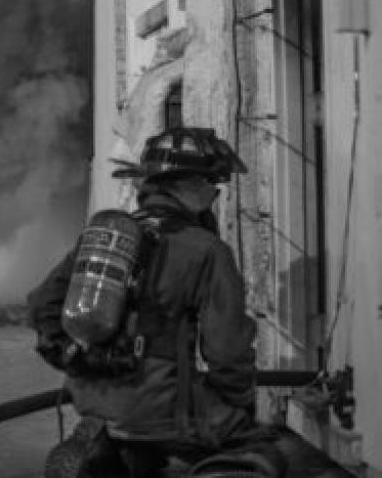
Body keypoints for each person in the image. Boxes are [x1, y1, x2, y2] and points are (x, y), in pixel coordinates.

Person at [28, 127, 286, 477]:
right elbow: (227, 351)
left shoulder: (109, 239)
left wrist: (80, 360)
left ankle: (103, 454)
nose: (215, 194)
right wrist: (237, 406)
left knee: (134, 439)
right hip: (162, 406)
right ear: (190, 186)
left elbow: (42, 304)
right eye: (213, 183)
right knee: (260, 450)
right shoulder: (207, 250)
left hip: (91, 397)